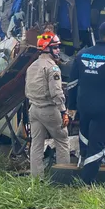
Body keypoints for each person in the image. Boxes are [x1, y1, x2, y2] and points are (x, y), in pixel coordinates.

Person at [67, 21, 105, 184]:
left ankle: (83, 173)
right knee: (97, 146)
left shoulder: (81, 55)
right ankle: (86, 183)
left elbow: (72, 84)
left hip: (84, 106)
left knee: (85, 140)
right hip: (103, 108)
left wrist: (71, 106)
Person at [25, 31, 70, 177]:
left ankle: (36, 179)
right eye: (56, 47)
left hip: (34, 109)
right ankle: (63, 179)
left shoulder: (32, 66)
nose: (58, 50)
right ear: (47, 48)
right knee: (62, 141)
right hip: (49, 110)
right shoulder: (53, 68)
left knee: (36, 145)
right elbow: (56, 92)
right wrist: (64, 111)